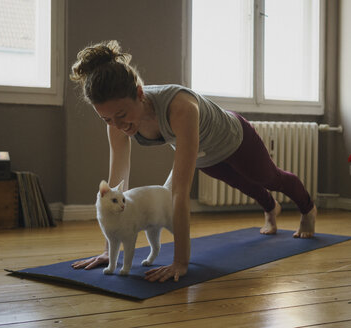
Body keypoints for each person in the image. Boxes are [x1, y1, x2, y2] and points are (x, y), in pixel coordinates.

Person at [70, 40, 317, 283]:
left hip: (234, 138)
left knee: (268, 178)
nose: (118, 125)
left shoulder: (180, 106)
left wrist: (181, 262)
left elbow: (179, 193)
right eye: (107, 119)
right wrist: (107, 250)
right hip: (205, 153)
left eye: (122, 116)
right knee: (243, 184)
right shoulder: (116, 124)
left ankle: (308, 209)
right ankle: (271, 208)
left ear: (139, 93)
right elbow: (115, 185)